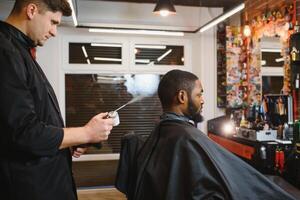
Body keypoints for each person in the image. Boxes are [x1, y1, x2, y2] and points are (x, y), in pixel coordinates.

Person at [0, 1, 114, 200]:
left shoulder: (20, 51)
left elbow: (33, 122)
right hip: (29, 189)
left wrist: (75, 139)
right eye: (53, 22)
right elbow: (24, 133)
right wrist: (86, 132)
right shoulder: (5, 51)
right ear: (32, 10)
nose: (54, 32)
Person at [124, 69, 295, 200]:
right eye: (199, 94)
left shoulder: (163, 131)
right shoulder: (186, 138)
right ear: (182, 96)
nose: (203, 99)